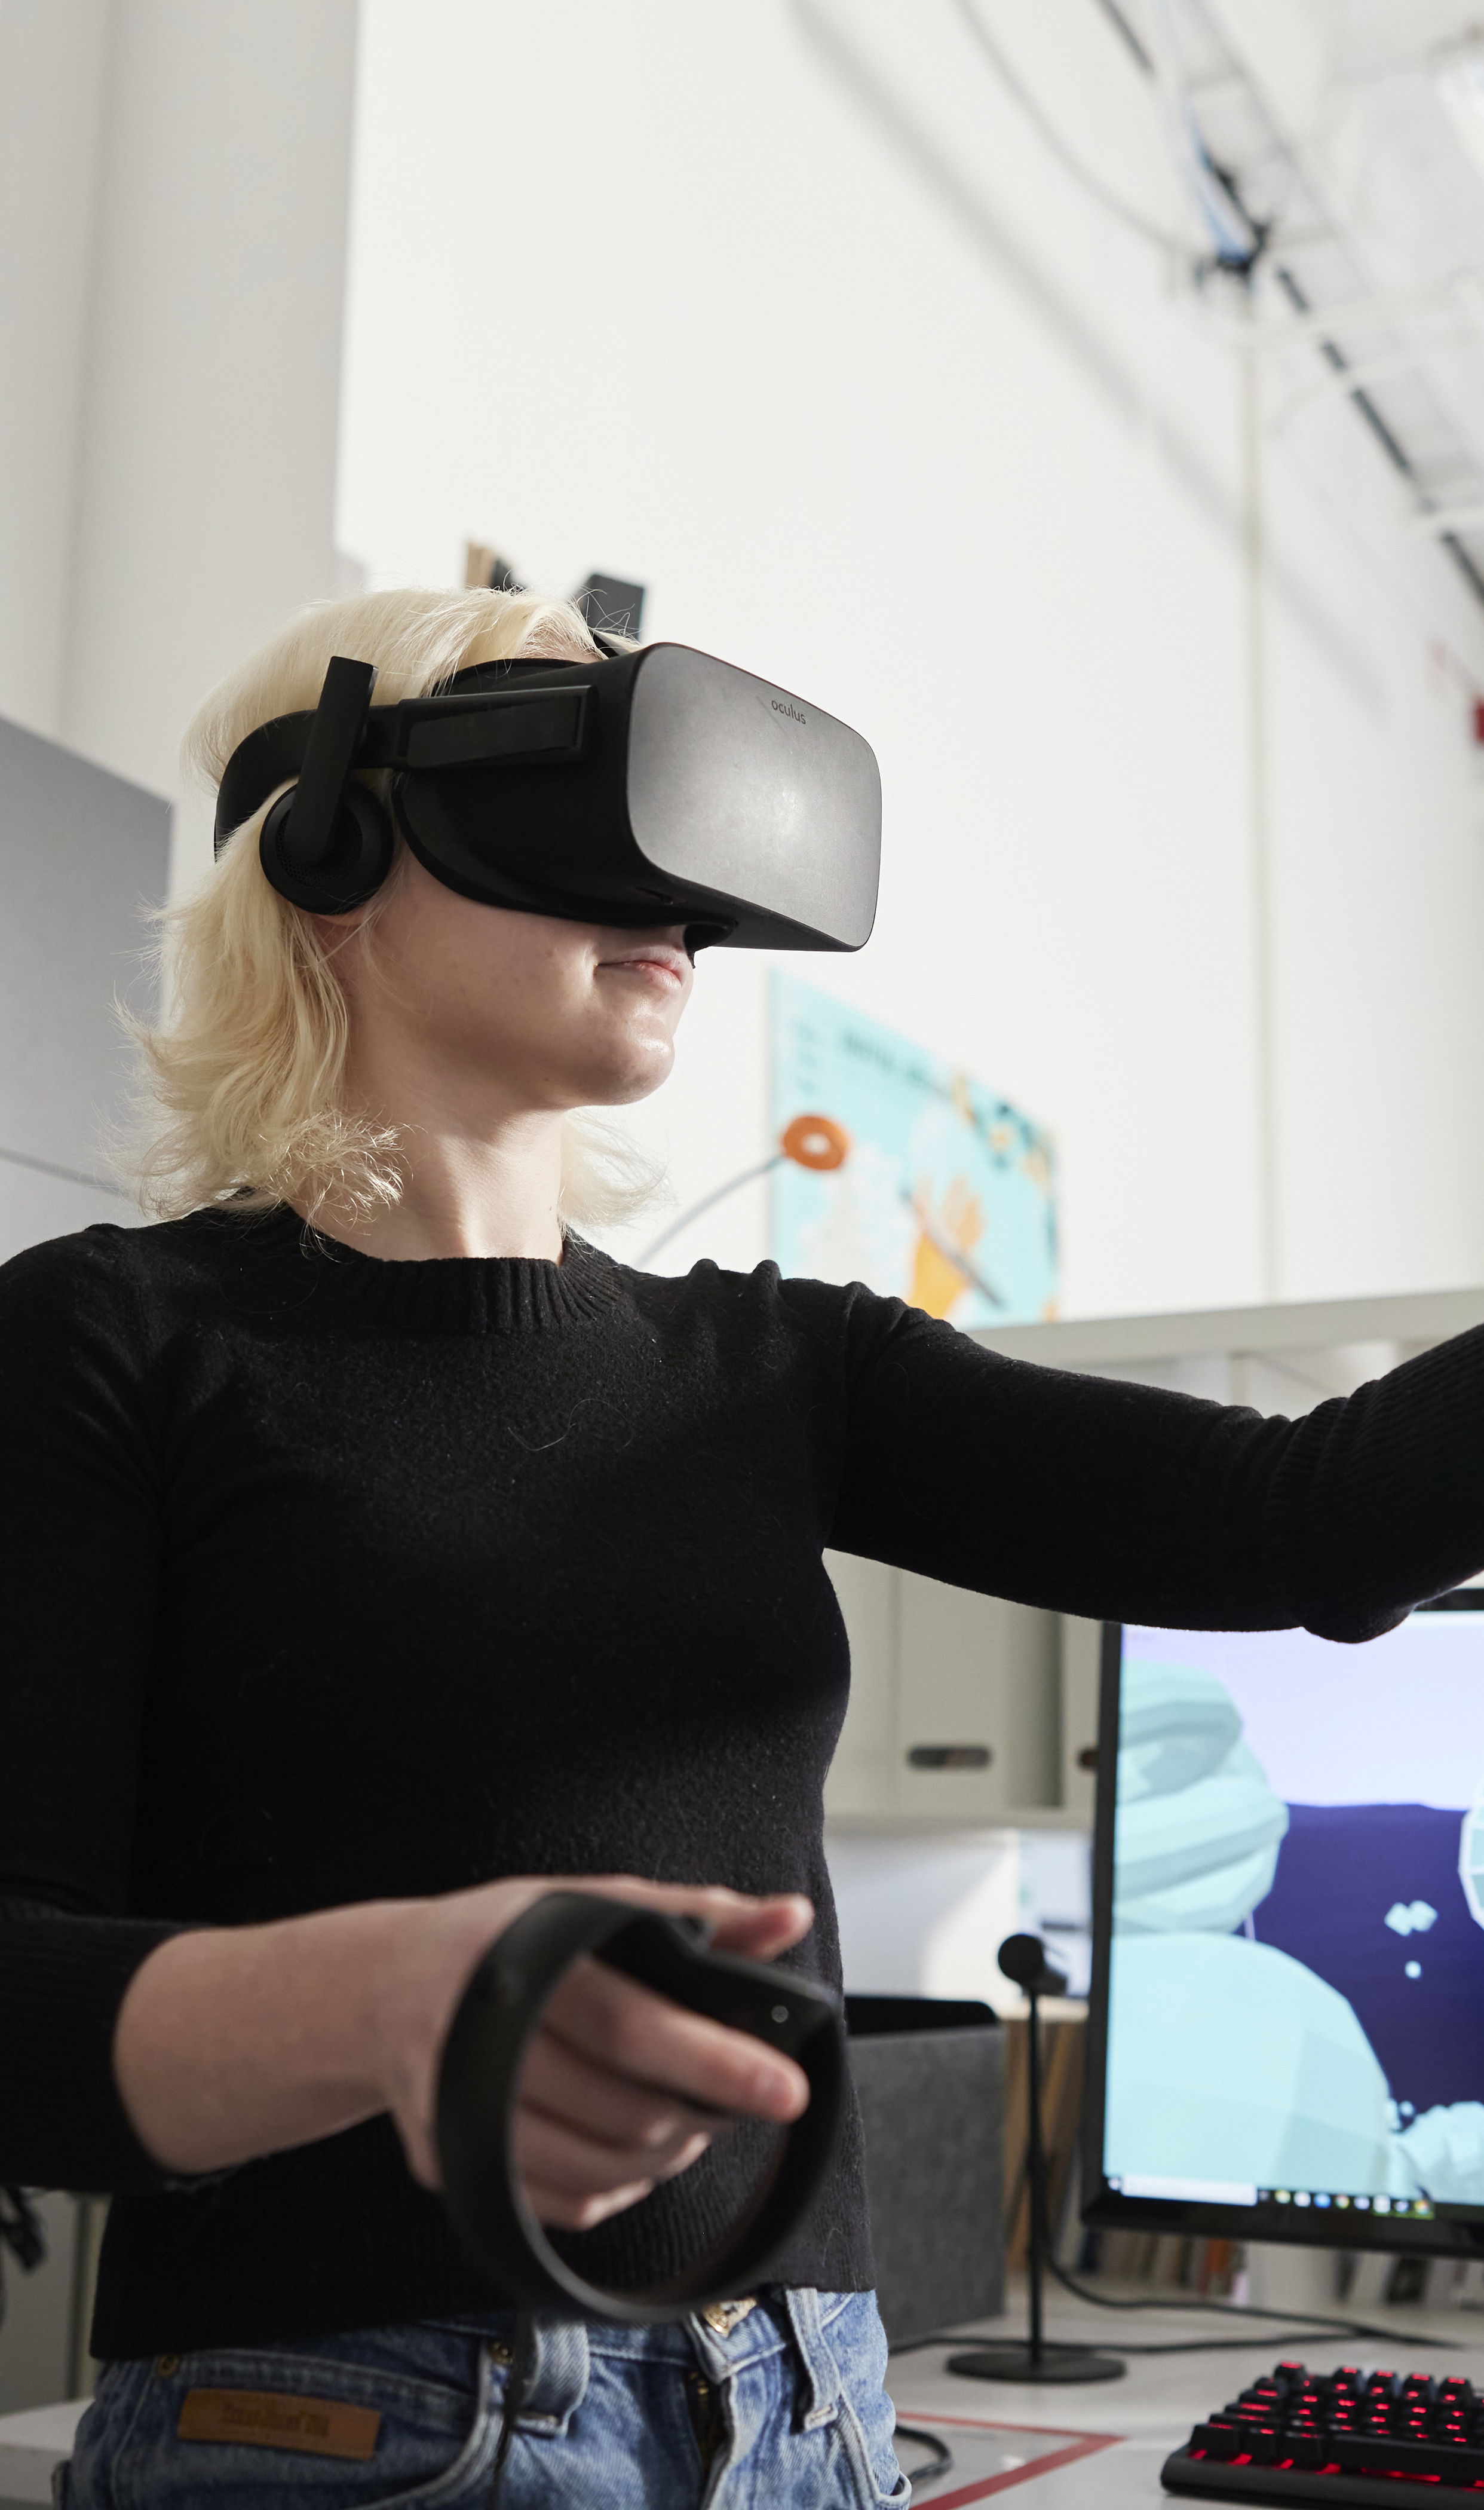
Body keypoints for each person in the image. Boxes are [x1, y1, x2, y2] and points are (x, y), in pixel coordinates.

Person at [3, 583, 1484, 2510]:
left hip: (807, 2409)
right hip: (351, 2423)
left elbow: (1307, 1518)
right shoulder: (110, 1345)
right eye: (583, 804)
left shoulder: (776, 1365)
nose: (676, 904)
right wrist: (387, 2004)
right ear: (331, 849)